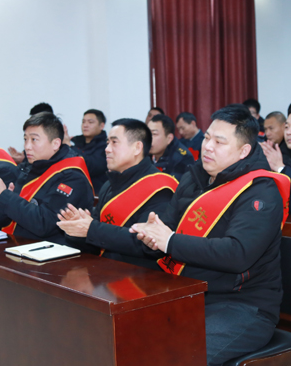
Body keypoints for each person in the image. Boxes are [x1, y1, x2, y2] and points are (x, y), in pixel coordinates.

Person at [129, 104, 290, 366]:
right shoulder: (195, 178)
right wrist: (152, 236)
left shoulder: (261, 191)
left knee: (190, 352)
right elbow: (167, 230)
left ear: (244, 151)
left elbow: (237, 254)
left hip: (245, 305)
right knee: (133, 334)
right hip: (193, 292)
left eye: (219, 142)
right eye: (207, 138)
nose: (208, 147)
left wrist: (170, 241)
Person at [57, 118, 178, 269]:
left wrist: (92, 229)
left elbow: (145, 245)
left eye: (114, 142)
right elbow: (96, 243)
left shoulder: (160, 188)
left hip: (141, 276)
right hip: (105, 270)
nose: (107, 149)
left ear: (137, 148)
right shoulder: (109, 184)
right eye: (107, 142)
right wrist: (77, 230)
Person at [0, 112, 94, 242]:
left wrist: (3, 197)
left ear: (55, 144)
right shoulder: (28, 168)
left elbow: (45, 224)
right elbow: (1, 221)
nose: (27, 147)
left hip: (52, 249)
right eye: (25, 139)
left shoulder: (73, 176)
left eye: (34, 139)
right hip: (19, 243)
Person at [70, 109, 108, 194]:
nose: (85, 125)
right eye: (83, 122)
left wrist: (70, 147)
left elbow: (90, 166)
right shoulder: (75, 141)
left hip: (95, 193)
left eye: (90, 122)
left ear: (101, 126)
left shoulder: (106, 146)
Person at [148, 114, 195, 180]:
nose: (148, 138)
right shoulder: (143, 151)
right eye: (147, 133)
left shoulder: (183, 158)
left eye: (154, 134)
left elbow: (173, 184)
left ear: (169, 138)